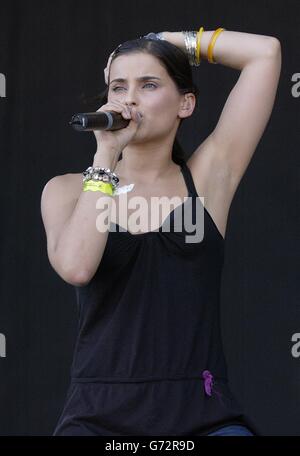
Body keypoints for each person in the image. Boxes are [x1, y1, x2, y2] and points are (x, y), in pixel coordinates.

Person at [41, 28, 281, 436]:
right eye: (118, 87)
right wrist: (105, 155)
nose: (129, 99)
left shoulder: (207, 180)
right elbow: (77, 268)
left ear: (185, 103)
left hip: (201, 413)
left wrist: (169, 40)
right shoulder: (66, 190)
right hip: (98, 415)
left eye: (148, 85)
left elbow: (265, 53)